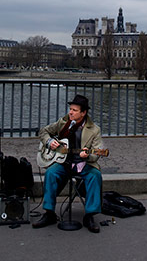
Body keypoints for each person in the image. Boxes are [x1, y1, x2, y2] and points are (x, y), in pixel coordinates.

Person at [33, 94, 104, 233]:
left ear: (83, 113)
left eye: (74, 110)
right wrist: (49, 142)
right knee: (51, 173)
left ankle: (90, 216)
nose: (70, 112)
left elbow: (98, 151)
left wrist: (88, 154)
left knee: (95, 175)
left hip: (83, 164)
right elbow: (43, 131)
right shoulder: (63, 122)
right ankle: (49, 213)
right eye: (70, 109)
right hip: (63, 163)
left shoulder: (94, 130)